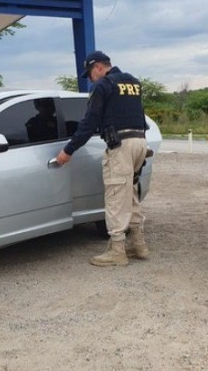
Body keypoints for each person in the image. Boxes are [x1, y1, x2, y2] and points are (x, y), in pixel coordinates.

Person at [56, 50, 150, 267]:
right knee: (130, 192)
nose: (90, 78)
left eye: (89, 73)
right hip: (139, 142)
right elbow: (139, 116)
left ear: (98, 66)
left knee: (116, 196)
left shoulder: (104, 85)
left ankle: (117, 251)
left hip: (121, 146)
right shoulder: (133, 82)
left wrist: (68, 150)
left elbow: (89, 122)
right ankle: (139, 245)